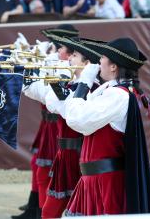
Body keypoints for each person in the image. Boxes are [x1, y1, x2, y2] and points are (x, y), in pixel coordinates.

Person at [61, 37, 150, 216]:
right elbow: (71, 113)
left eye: (102, 57)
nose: (99, 62)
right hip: (94, 179)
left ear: (113, 67)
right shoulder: (107, 91)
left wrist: (84, 82)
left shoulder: (117, 96)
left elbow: (78, 120)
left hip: (106, 183)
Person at [12, 25, 77, 219]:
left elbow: (45, 95)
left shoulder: (66, 70)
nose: (55, 52)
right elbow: (36, 90)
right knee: (39, 168)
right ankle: (36, 208)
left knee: (44, 172)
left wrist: (34, 62)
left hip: (58, 127)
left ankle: (38, 211)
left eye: (59, 48)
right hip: (50, 125)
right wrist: (28, 59)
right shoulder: (56, 63)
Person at [41, 35, 102, 219]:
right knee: (52, 210)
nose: (68, 58)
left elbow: (72, 116)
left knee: (62, 209)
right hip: (65, 154)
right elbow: (51, 104)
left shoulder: (93, 89)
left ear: (87, 64)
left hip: (79, 155)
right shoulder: (71, 84)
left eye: (74, 55)